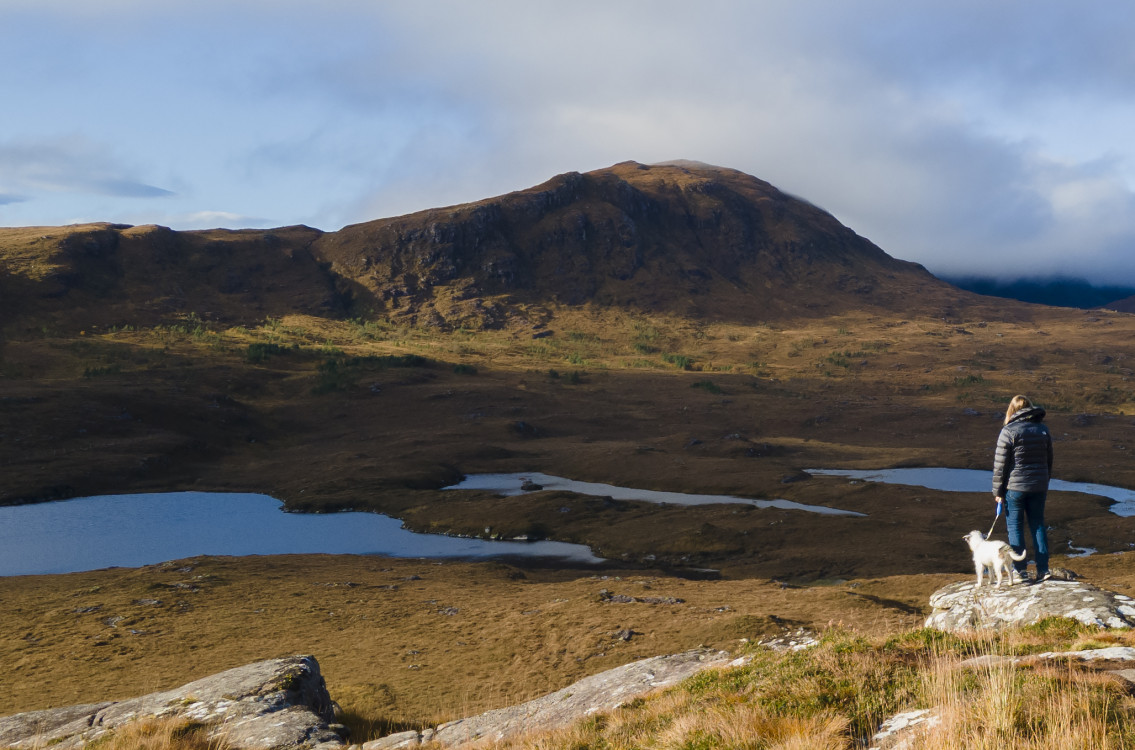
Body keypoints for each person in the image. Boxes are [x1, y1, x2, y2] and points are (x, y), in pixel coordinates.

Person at [992, 394, 1054, 583]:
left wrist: (998, 492)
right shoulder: (1043, 430)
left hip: (1015, 488)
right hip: (1039, 486)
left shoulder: (1009, 431)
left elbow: (1000, 466)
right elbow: (1048, 460)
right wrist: (1044, 481)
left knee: (1015, 528)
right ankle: (1043, 569)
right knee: (1038, 525)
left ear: (1012, 409)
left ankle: (1020, 571)